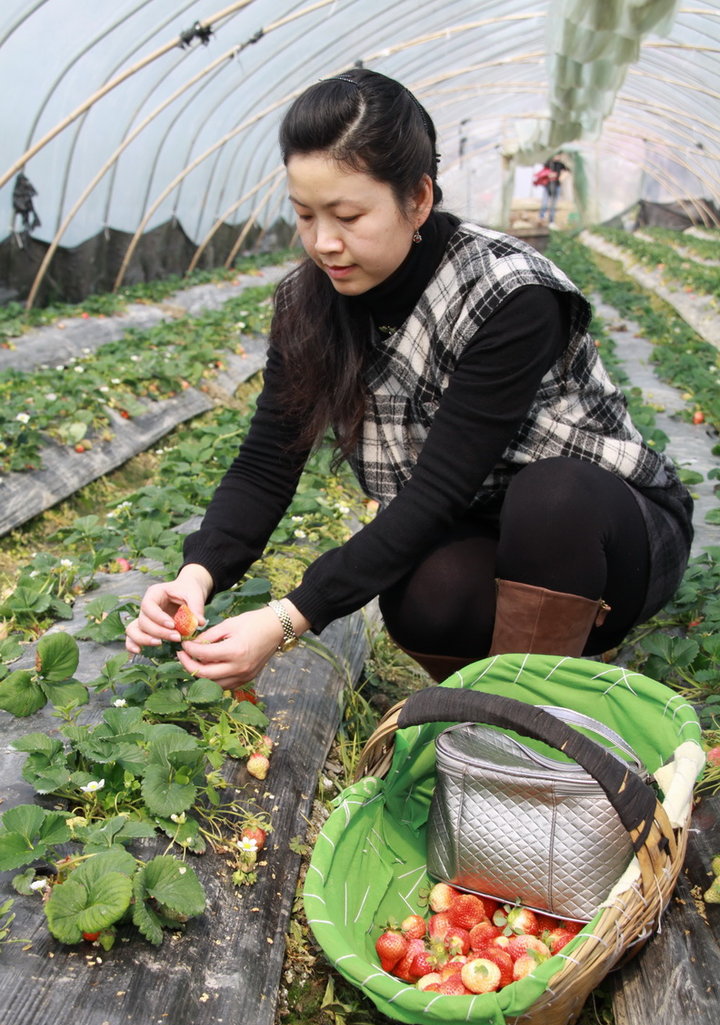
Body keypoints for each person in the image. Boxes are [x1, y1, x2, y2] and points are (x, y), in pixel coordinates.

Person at [125, 69, 693, 686]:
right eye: (305, 215)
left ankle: (531, 717)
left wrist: (286, 620)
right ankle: (489, 698)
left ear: (418, 199)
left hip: (607, 538)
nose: (324, 243)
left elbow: (436, 492)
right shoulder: (309, 305)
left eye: (347, 215)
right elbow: (268, 460)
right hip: (482, 529)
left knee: (550, 496)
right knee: (422, 594)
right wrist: (196, 574)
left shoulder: (508, 293)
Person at [538, 156, 569, 226]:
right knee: (544, 203)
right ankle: (541, 217)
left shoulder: (560, 164)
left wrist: (561, 177)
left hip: (556, 186)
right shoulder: (548, 163)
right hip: (548, 186)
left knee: (553, 205)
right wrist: (548, 174)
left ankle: (551, 220)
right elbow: (543, 170)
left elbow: (567, 170)